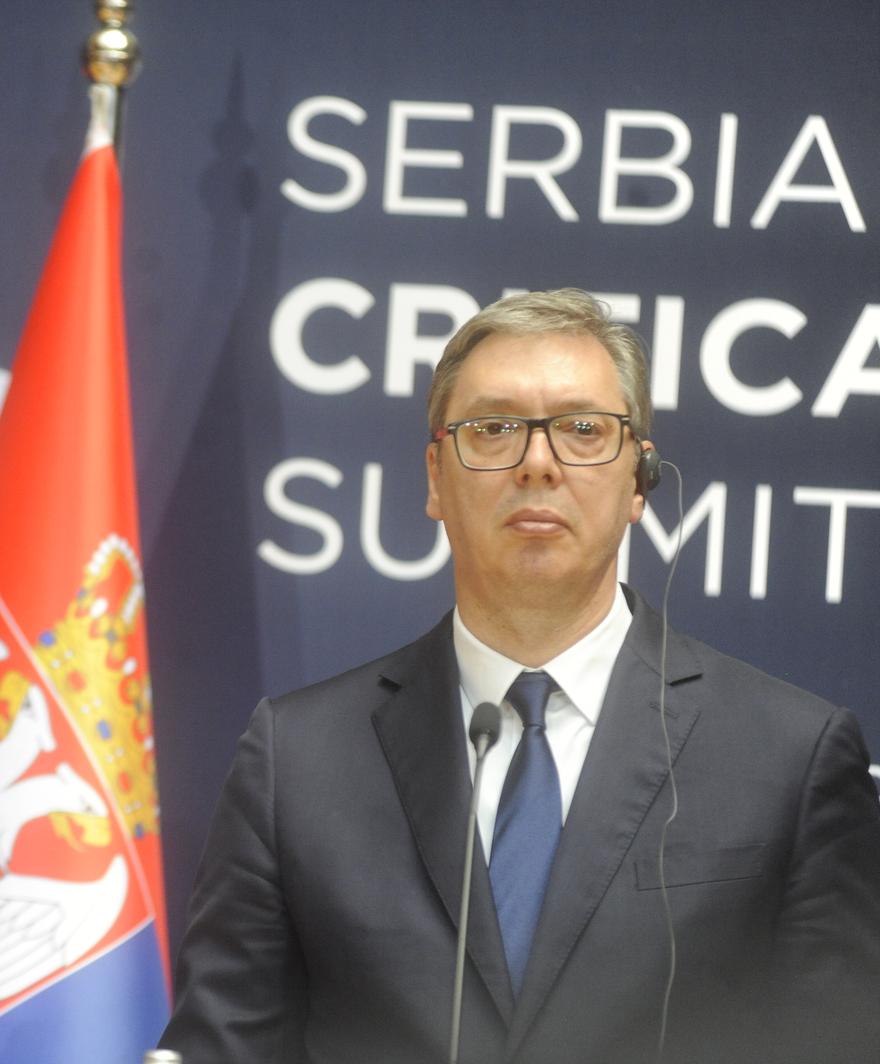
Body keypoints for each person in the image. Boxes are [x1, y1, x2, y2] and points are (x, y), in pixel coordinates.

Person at [159, 289, 880, 1063]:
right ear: (436, 477)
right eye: (494, 428)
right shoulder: (297, 761)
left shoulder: (789, 757)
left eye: (582, 429)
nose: (538, 464)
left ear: (639, 483)